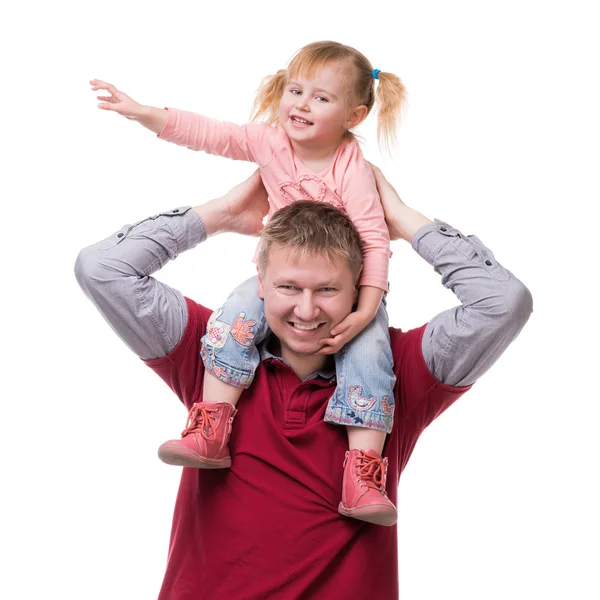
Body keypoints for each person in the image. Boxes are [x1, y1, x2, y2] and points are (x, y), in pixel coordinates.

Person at [75, 167, 532, 599]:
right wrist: (223, 213)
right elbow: (101, 268)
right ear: (260, 283)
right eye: (289, 287)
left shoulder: (399, 372)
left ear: (360, 288)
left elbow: (503, 303)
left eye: (328, 290)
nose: (307, 311)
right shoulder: (214, 352)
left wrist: (403, 220)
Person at [89, 40, 408, 525]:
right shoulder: (269, 142)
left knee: (369, 360)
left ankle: (362, 477)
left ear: (354, 115)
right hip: (278, 278)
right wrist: (142, 112)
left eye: (321, 98)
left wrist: (366, 309)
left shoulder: (352, 168)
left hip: (347, 292)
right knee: (232, 319)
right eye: (295, 90)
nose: (301, 104)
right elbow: (211, 134)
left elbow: (374, 238)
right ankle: (211, 427)